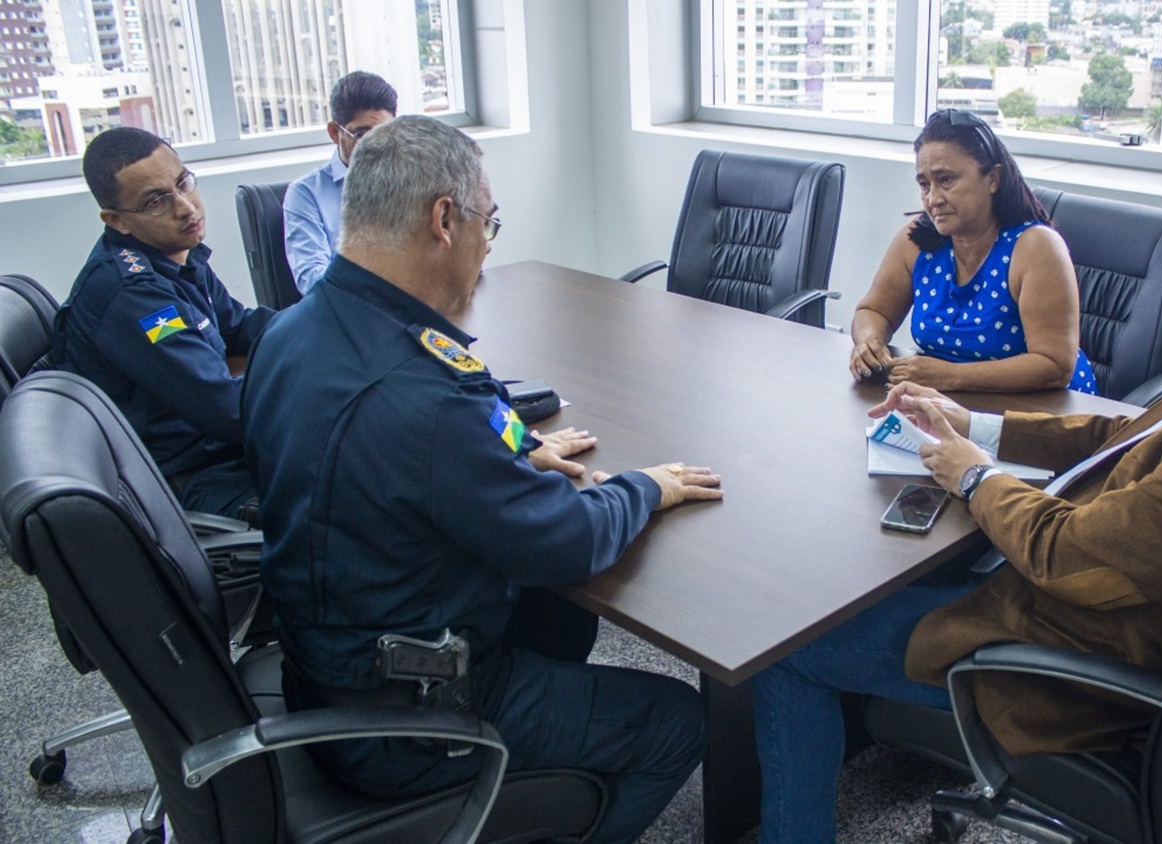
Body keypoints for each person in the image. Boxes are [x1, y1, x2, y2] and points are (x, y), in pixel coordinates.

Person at [753, 183, 1162, 842]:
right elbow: (1120, 438)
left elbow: (1066, 556)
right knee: (870, 577)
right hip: (1085, 611)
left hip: (1062, 665)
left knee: (788, 649)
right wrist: (974, 426)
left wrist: (972, 472)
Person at [242, 115, 721, 843]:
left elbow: (374, 461)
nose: (488, 244)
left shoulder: (288, 334)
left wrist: (510, 453)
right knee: (677, 720)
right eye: (487, 223)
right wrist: (646, 487)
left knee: (563, 617)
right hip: (405, 722)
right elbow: (570, 542)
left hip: (321, 666)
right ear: (444, 220)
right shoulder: (424, 396)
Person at [53, 126, 273, 520]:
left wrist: (325, 323)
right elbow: (227, 409)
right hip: (194, 480)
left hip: (222, 450)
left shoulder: (174, 254)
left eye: (183, 182)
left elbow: (239, 327)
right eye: (156, 201)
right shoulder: (134, 297)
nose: (186, 207)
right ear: (116, 220)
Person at [848, 108, 1097, 394]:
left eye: (946, 180)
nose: (933, 199)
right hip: (952, 400)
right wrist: (869, 341)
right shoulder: (915, 241)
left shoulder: (1036, 248)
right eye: (924, 184)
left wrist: (949, 376)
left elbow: (1054, 366)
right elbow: (873, 310)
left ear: (992, 179)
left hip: (1040, 409)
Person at [283, 70, 396, 294]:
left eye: (385, 133)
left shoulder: (410, 180)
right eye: (362, 134)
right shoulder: (306, 194)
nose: (376, 146)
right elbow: (312, 280)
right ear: (335, 133)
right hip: (352, 309)